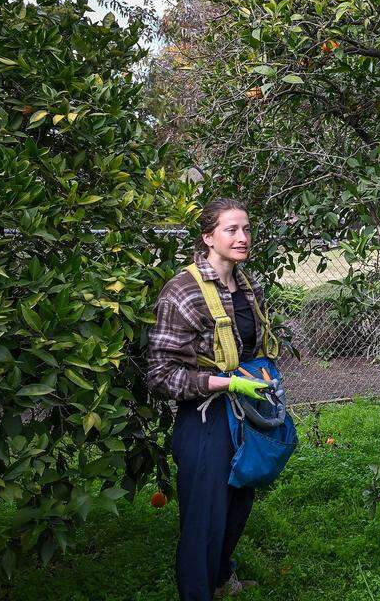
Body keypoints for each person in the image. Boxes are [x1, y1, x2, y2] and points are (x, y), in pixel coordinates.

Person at [147, 198, 274, 599]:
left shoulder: (246, 285)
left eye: (246, 229)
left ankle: (221, 578)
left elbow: (250, 349)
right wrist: (225, 384)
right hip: (205, 418)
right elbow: (160, 375)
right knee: (204, 517)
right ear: (208, 237)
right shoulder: (182, 292)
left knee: (238, 501)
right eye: (231, 230)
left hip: (244, 412)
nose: (242, 237)